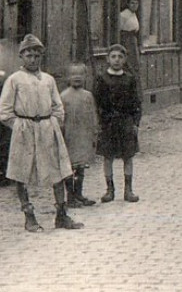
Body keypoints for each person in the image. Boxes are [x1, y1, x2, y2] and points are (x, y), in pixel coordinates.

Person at [0, 34, 83, 231]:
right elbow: (4, 110)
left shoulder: (48, 80)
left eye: (36, 55)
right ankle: (29, 215)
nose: (33, 59)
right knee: (22, 171)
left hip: (47, 128)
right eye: (28, 55)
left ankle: (61, 214)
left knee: (58, 170)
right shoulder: (15, 80)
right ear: (22, 57)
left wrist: (53, 122)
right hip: (25, 129)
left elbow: (58, 106)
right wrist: (19, 126)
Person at [94, 44, 141, 204]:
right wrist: (99, 122)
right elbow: (97, 102)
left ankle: (128, 190)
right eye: (113, 56)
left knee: (128, 156)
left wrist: (135, 122)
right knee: (108, 157)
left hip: (125, 121)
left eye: (120, 57)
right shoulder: (101, 78)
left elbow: (136, 102)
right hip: (108, 122)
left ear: (125, 59)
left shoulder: (130, 79)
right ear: (108, 59)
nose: (116, 60)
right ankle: (110, 190)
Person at [60, 63, 98, 208]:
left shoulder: (88, 96)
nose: (77, 77)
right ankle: (70, 197)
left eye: (80, 74)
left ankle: (79, 194)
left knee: (81, 167)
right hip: (69, 136)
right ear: (67, 77)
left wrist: (94, 131)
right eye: (73, 74)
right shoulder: (63, 96)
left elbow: (93, 114)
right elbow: (60, 117)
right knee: (70, 168)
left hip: (83, 135)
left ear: (85, 77)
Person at [119, 0, 142, 89]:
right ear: (128, 4)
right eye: (132, 3)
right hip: (127, 40)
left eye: (136, 3)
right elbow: (120, 29)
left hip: (133, 40)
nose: (134, 5)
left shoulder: (134, 14)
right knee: (129, 65)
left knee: (135, 66)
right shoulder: (123, 15)